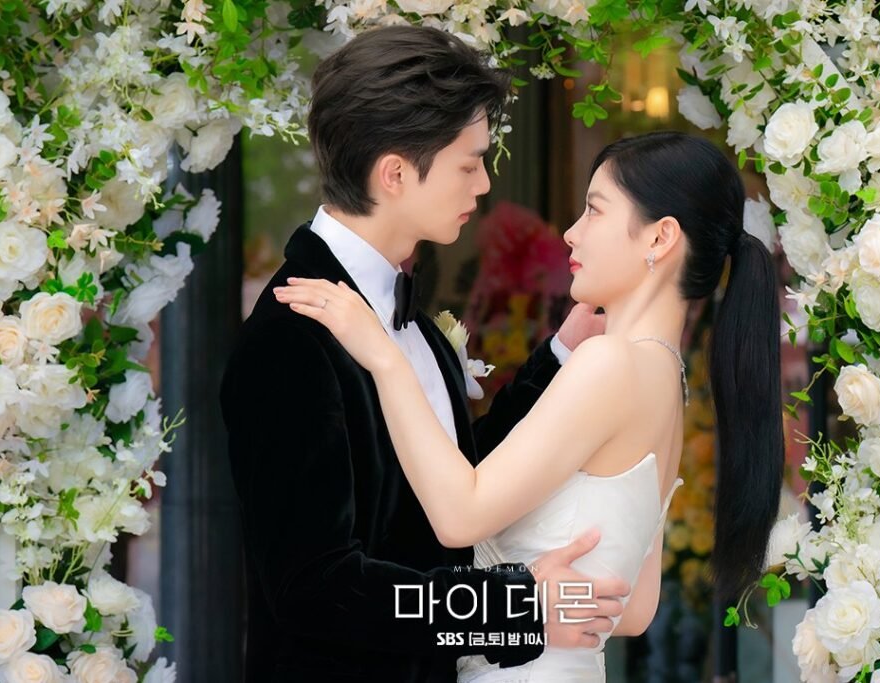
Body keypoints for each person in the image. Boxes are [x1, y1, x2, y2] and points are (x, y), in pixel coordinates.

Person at [275, 130, 786, 682]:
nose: (571, 232)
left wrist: (384, 359)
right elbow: (634, 607)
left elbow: (460, 516)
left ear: (660, 238)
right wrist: (537, 606)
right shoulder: (666, 377)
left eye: (594, 210)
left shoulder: (610, 364)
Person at [219, 25, 630, 683]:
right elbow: (314, 588)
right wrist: (514, 606)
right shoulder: (290, 338)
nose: (484, 184)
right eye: (469, 164)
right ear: (395, 173)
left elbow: (454, 481)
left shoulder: (409, 319)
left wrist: (560, 352)